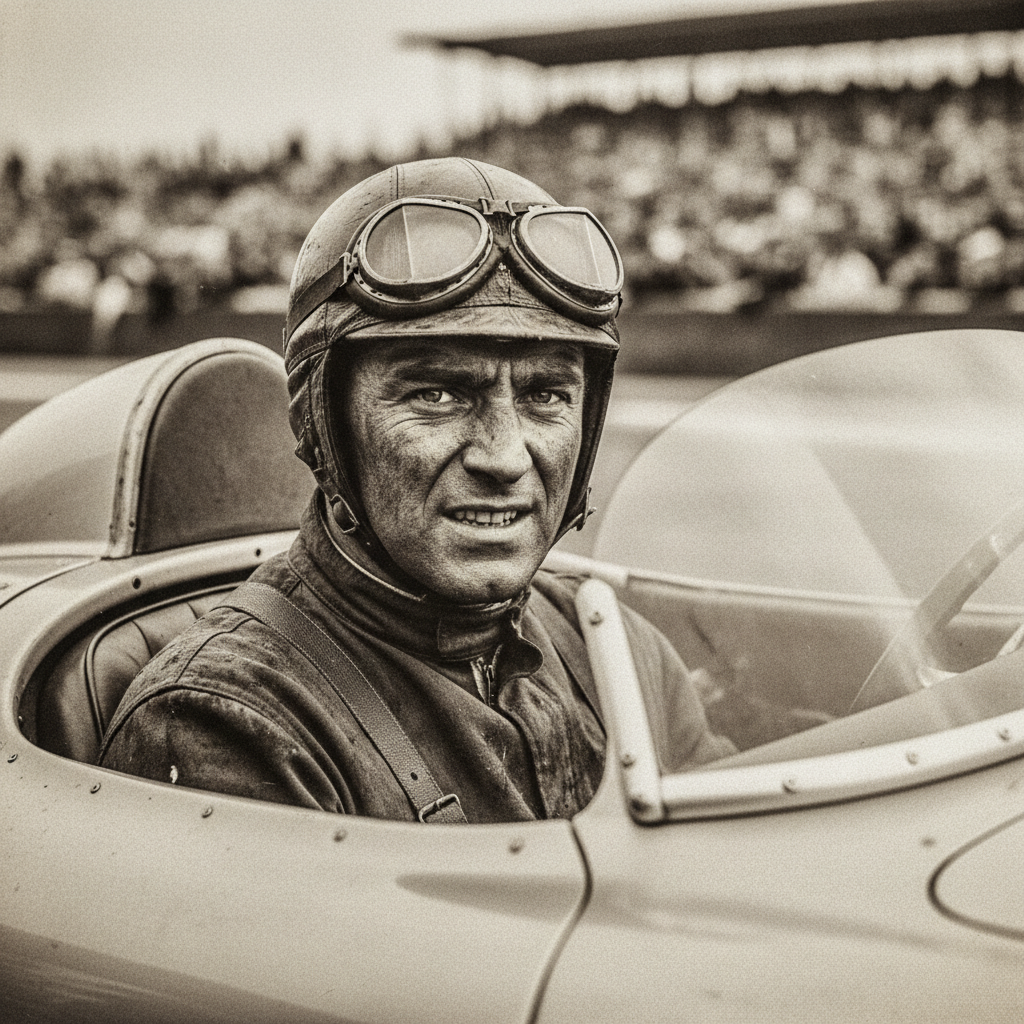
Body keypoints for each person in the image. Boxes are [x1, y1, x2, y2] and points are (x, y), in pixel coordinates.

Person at [99, 157, 733, 823]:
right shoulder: (227, 721)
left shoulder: (610, 649)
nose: (505, 456)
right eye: (438, 394)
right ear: (324, 421)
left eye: (547, 394)